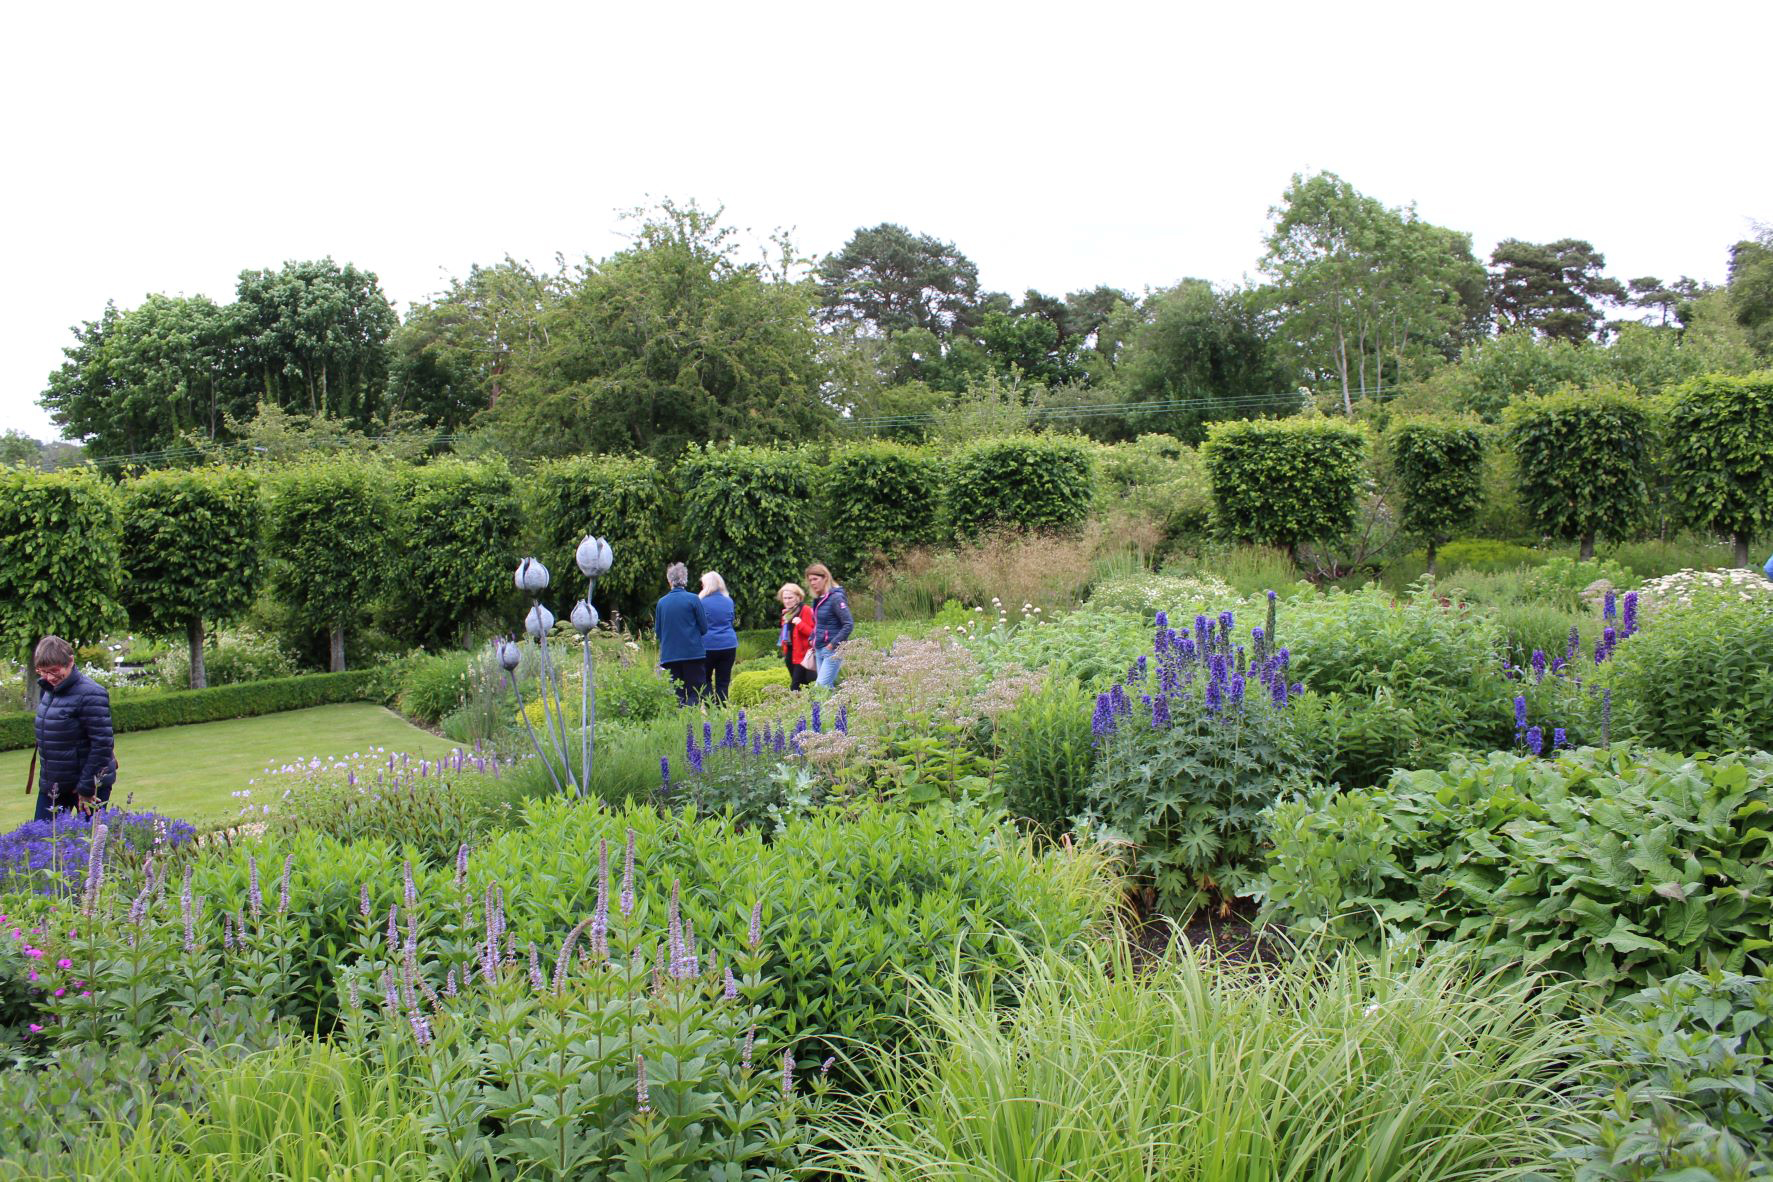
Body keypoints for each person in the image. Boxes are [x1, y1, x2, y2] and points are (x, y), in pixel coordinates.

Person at [30, 635, 116, 822]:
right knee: (41, 842)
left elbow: (102, 745)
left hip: (88, 785)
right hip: (55, 785)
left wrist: (86, 788)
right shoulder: (48, 691)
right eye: (43, 671)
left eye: (54, 670)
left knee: (89, 845)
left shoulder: (92, 693)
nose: (49, 677)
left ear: (70, 661)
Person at [654, 563, 709, 706]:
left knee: (676, 695)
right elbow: (704, 628)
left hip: (670, 656)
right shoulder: (693, 599)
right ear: (685, 579)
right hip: (693, 654)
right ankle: (691, 721)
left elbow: (658, 632)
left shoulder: (661, 603)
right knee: (695, 693)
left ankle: (680, 722)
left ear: (669, 581)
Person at [804, 562, 854, 690]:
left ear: (825, 578)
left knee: (820, 688)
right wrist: (812, 638)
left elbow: (848, 624)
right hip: (819, 649)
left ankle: (826, 710)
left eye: (815, 579)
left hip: (832, 651)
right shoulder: (818, 599)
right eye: (810, 580)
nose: (812, 583)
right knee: (827, 688)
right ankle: (839, 711)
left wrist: (832, 644)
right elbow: (818, 623)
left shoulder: (836, 598)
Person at [697, 571, 740, 702]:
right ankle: (721, 710)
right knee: (723, 682)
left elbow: (698, 624)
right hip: (728, 644)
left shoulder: (701, 601)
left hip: (707, 645)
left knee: (705, 679)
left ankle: (711, 711)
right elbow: (731, 620)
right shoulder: (728, 600)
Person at [777, 582, 817, 691]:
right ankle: (806, 706)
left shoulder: (806, 610)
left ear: (798, 597)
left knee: (795, 687)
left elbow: (813, 633)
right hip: (790, 653)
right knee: (802, 685)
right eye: (785, 598)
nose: (787, 601)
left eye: (790, 597)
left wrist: (800, 624)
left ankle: (800, 706)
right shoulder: (786, 614)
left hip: (803, 654)